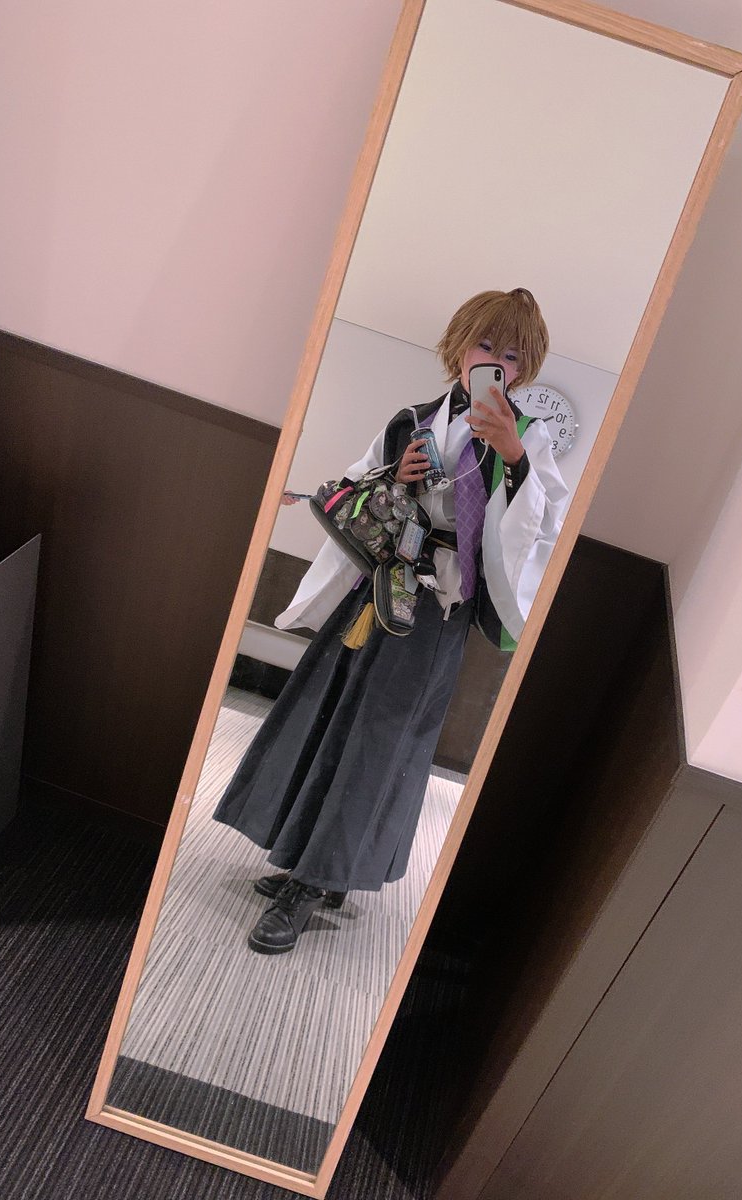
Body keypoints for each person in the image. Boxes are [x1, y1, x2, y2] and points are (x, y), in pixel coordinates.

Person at [213, 288, 569, 954]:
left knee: (381, 739)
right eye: (486, 344)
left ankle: (313, 880)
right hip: (377, 587)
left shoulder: (531, 437)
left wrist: (516, 460)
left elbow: (545, 524)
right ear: (459, 344)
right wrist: (395, 474)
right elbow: (356, 487)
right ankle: (310, 858)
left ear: (526, 369)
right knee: (331, 714)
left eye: (514, 355)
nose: (497, 361)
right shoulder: (412, 419)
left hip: (436, 609)